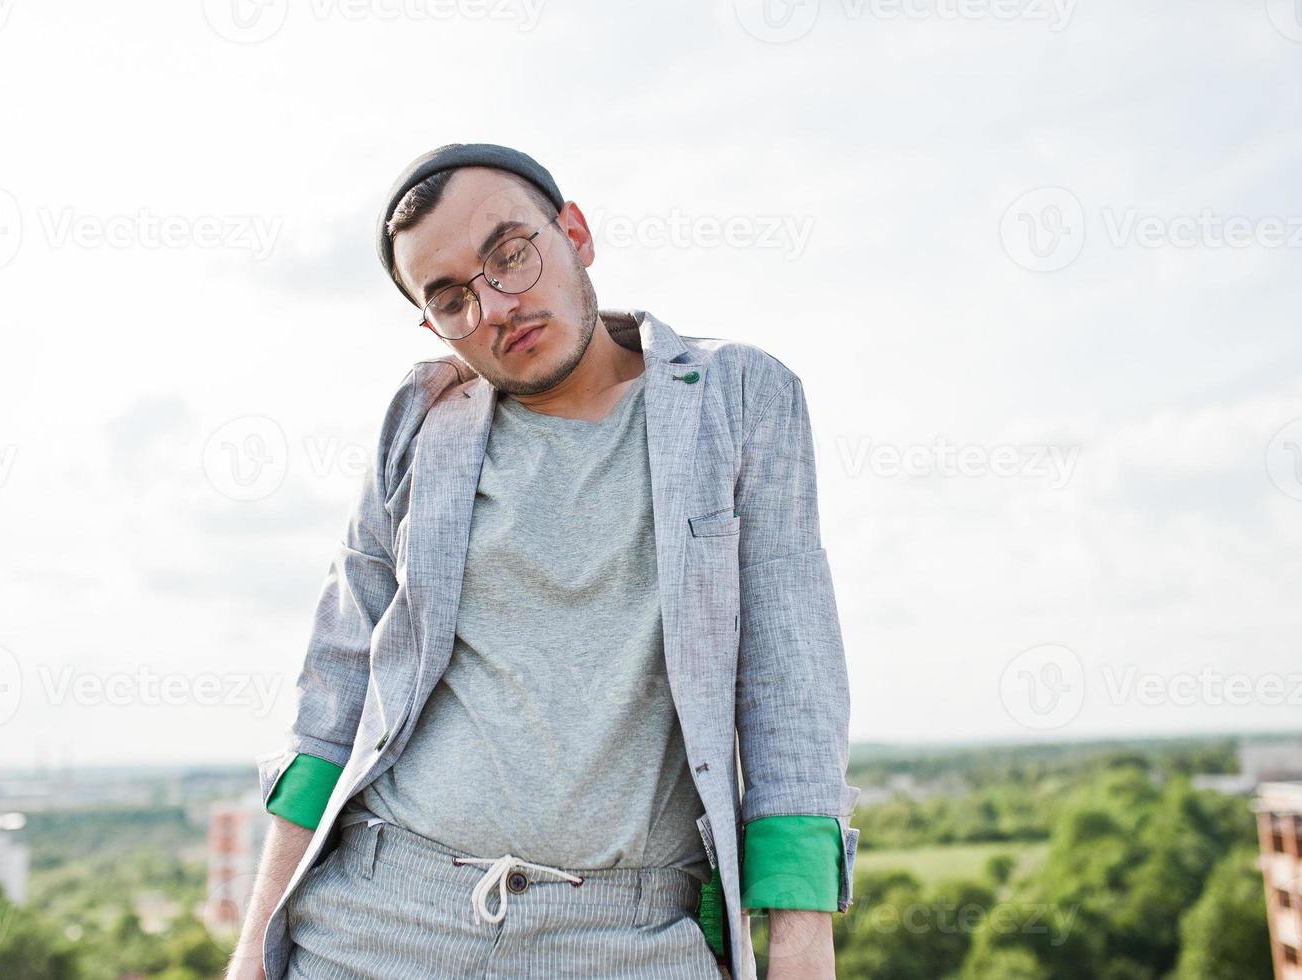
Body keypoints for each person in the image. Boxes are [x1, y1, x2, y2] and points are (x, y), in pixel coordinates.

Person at [225, 143, 859, 980]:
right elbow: (333, 691)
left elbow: (790, 683)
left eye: (509, 254)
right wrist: (253, 952)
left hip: (628, 938)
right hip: (375, 924)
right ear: (431, 323)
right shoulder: (421, 421)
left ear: (575, 234)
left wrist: (802, 949)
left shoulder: (737, 397)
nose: (495, 305)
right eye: (450, 296)